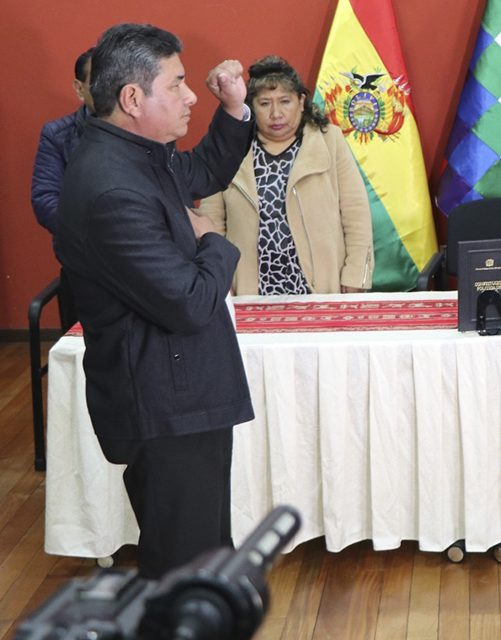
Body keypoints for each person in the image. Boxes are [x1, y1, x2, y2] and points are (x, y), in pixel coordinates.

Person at [55, 23, 255, 580]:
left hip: (183, 396)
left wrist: (234, 107)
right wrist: (217, 241)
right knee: (182, 569)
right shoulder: (113, 185)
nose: (192, 96)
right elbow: (189, 301)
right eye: (178, 84)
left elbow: (207, 169)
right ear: (133, 98)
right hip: (165, 405)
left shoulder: (139, 155)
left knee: (207, 562)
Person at [197, 55, 373, 295]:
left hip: (320, 286)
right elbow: (210, 221)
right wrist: (217, 278)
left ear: (301, 101)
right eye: (265, 103)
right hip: (249, 288)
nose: (276, 113)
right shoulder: (228, 149)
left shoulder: (329, 140)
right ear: (251, 105)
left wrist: (356, 275)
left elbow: (356, 214)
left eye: (285, 101)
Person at [31, 47, 96, 253]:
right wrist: (96, 236)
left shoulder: (142, 128)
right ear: (79, 89)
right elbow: (46, 199)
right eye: (98, 82)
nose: (110, 90)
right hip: (86, 255)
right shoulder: (57, 134)